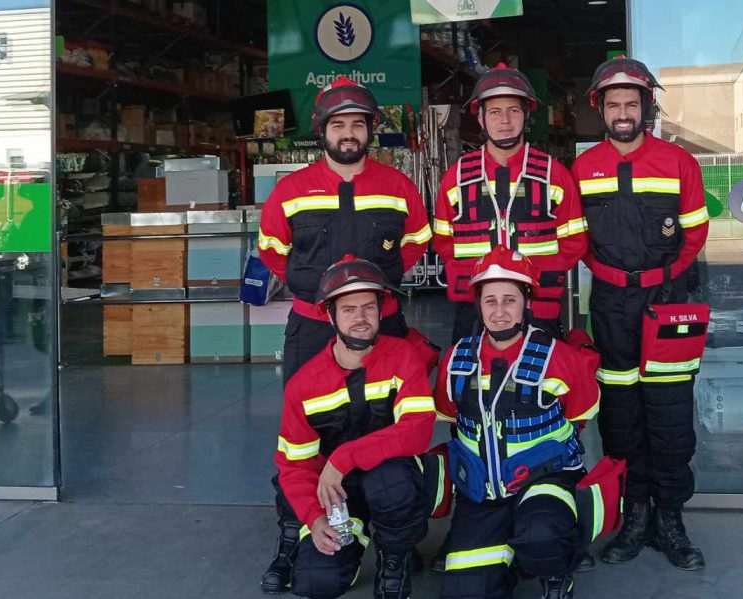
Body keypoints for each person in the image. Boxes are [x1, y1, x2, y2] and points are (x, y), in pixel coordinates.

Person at [258, 77, 436, 592]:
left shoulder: (398, 186)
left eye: (358, 123)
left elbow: (416, 242)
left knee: (394, 429)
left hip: (381, 326)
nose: (349, 132)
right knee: (301, 440)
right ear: (323, 131)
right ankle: (294, 537)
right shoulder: (291, 191)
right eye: (339, 124)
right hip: (314, 331)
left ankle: (395, 543)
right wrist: (322, 297)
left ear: (370, 130)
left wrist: (370, 297)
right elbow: (273, 251)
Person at [570, 56, 710, 570]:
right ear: (600, 110)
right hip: (609, 307)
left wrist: (658, 283)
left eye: (632, 103)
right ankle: (633, 514)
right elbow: (575, 239)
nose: (623, 112)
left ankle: (670, 519)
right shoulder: (582, 170)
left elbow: (693, 235)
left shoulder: (680, 163)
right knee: (621, 416)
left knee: (671, 415)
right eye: (614, 104)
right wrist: (614, 280)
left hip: (668, 303)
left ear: (646, 107)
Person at [434, 246, 602, 599]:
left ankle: (556, 573)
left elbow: (580, 414)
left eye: (510, 300)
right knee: (465, 591)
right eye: (490, 300)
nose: (499, 312)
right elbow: (451, 416)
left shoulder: (559, 357)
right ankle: (510, 555)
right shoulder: (455, 359)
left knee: (544, 535)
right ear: (477, 304)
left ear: (527, 303)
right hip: (482, 491)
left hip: (544, 480)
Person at [275, 256, 438, 599]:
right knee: (315, 583)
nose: (361, 318)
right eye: (349, 309)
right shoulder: (304, 385)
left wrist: (344, 457)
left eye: (368, 307)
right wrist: (316, 518)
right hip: (338, 495)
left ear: (381, 311)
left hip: (390, 478)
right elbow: (294, 465)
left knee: (390, 479)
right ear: (330, 315)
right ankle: (356, 533)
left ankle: (396, 557)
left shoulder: (403, 356)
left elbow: (418, 430)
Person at [432, 63, 587, 343]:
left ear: (526, 115)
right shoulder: (457, 176)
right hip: (477, 308)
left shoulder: (554, 174)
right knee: (470, 382)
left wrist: (532, 280)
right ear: (480, 118)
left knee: (544, 380)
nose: (505, 120)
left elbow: (574, 243)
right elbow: (444, 242)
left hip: (538, 305)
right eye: (494, 112)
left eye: (513, 110)